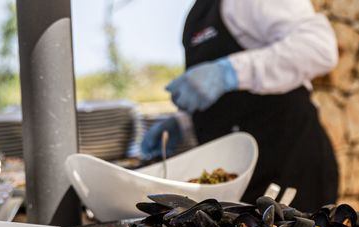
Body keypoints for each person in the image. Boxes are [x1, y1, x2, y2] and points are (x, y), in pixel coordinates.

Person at [141, 0, 339, 212]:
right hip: (239, 177)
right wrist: (184, 123)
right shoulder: (197, 13)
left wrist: (229, 72)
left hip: (287, 164)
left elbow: (319, 48)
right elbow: (222, 99)